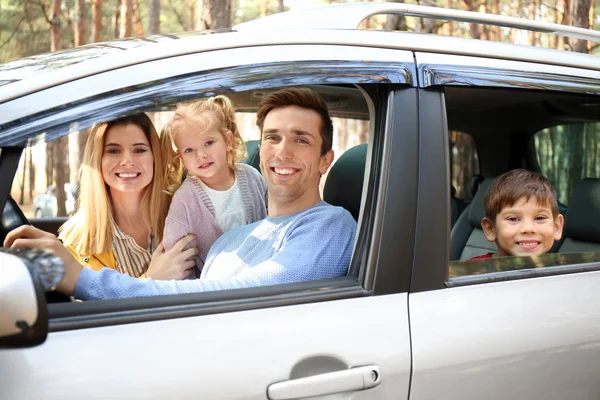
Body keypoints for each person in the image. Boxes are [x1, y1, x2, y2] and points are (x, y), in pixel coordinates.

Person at [5, 88, 357, 299]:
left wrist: (82, 280)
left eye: (301, 139)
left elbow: (231, 299)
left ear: (326, 160)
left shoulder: (329, 225)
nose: (282, 152)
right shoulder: (230, 239)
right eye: (272, 137)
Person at [58, 114, 197, 278]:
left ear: (154, 157)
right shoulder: (78, 240)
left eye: (139, 150)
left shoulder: (185, 206)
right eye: (114, 151)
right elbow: (98, 303)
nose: (127, 161)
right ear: (97, 160)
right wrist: (151, 280)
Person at [162, 96, 267, 275]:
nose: (201, 155)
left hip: (262, 275)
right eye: (189, 150)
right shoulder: (184, 201)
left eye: (208, 143)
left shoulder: (252, 177)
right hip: (215, 293)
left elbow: (274, 223)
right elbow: (178, 260)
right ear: (181, 158)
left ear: (227, 140)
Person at [471, 169, 564, 259]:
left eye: (540, 218)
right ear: (490, 229)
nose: (528, 228)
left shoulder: (565, 271)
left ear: (556, 227)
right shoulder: (474, 270)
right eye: (513, 219)